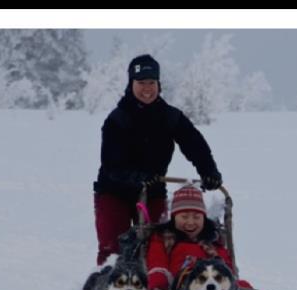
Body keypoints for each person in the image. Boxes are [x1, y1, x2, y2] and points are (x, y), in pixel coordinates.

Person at [92, 54, 223, 265]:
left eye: (151, 82)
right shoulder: (117, 119)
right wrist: (136, 177)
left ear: (159, 84)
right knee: (114, 251)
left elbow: (194, 144)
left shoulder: (170, 117)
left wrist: (208, 171)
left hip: (153, 191)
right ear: (131, 84)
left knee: (158, 248)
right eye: (141, 83)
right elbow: (111, 164)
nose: (147, 88)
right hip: (114, 192)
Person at [146, 185, 251, 290]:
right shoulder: (164, 238)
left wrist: (233, 283)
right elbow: (157, 261)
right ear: (174, 217)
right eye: (184, 217)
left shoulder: (211, 242)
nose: (190, 222)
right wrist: (158, 279)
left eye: (196, 217)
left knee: (238, 285)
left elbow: (225, 266)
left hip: (211, 286)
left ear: (204, 219)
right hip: (177, 287)